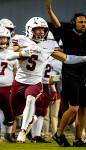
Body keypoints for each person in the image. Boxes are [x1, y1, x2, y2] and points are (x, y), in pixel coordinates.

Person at [7, 16, 86, 143]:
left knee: (30, 99)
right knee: (14, 111)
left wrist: (84, 58)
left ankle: (22, 132)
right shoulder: (20, 39)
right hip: (19, 81)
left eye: (43, 29)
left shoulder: (49, 44)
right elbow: (8, 56)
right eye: (37, 29)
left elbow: (66, 58)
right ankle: (30, 119)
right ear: (29, 29)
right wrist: (21, 53)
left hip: (36, 82)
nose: (41, 32)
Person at [45, 0, 86, 147]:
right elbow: (56, 23)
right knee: (73, 108)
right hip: (70, 75)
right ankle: (59, 134)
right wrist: (50, 10)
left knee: (82, 110)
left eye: (85, 22)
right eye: (80, 22)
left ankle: (78, 139)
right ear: (74, 22)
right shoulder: (67, 33)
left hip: (83, 77)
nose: (83, 24)